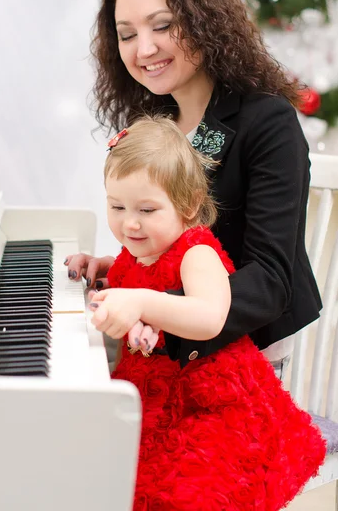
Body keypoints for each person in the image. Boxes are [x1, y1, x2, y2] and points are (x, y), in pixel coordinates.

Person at [65, 0, 322, 379]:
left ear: (205, 24)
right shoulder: (158, 121)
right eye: (126, 34)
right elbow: (178, 241)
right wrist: (126, 271)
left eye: (163, 26)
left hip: (244, 355)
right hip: (168, 339)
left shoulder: (267, 121)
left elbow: (269, 281)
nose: (144, 48)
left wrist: (156, 309)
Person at [80, 115, 326, 511]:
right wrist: (102, 272)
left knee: (184, 494)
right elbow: (136, 283)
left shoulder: (197, 254)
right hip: (156, 395)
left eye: (147, 209)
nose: (129, 222)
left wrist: (140, 304)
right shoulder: (133, 255)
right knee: (113, 477)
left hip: (212, 404)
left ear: (189, 204)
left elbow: (209, 316)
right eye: (116, 205)